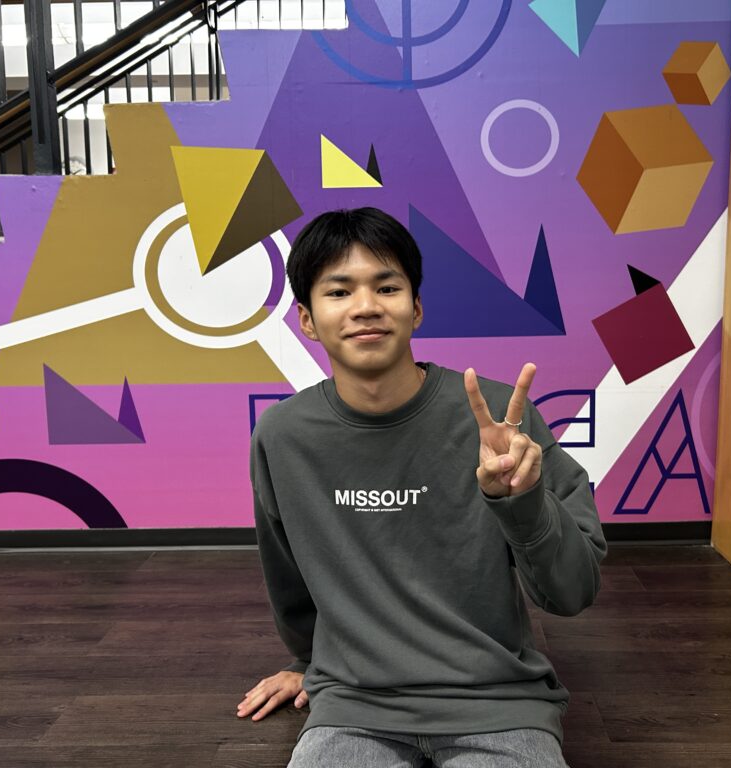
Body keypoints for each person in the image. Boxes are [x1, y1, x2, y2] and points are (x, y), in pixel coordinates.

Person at [236, 207, 607, 767]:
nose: (366, 307)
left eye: (386, 286)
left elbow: (573, 592)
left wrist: (521, 502)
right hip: (354, 706)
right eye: (338, 291)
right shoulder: (283, 437)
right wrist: (308, 661)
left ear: (415, 308)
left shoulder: (503, 425)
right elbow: (287, 574)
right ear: (307, 320)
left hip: (498, 703)